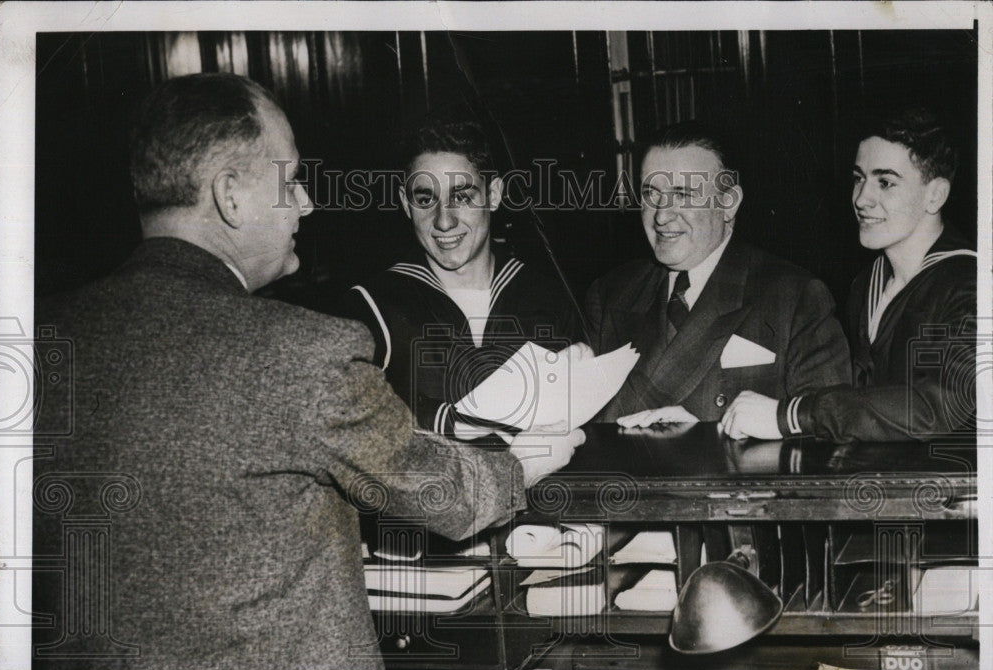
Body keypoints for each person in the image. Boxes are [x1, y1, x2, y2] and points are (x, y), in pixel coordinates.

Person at [32, 73, 583, 670]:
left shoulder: (44, 338)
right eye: (291, 180)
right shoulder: (298, 349)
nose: (308, 205)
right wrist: (522, 464)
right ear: (231, 195)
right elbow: (445, 493)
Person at [721, 107, 976, 442]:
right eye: (859, 178)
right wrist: (716, 420)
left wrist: (790, 415)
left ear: (936, 195)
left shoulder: (971, 285)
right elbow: (853, 406)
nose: (861, 198)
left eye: (885, 182)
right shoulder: (867, 283)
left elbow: (936, 409)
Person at [585, 121, 851, 427]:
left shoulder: (793, 297)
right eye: (651, 193)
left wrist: (708, 441)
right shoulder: (610, 294)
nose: (661, 214)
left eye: (682, 194)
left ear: (728, 202)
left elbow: (829, 428)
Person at [342, 114, 584, 438]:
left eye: (463, 196)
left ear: (494, 195)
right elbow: (338, 415)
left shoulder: (549, 299)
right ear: (405, 203)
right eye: (425, 199)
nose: (444, 221)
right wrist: (444, 419)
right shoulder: (372, 306)